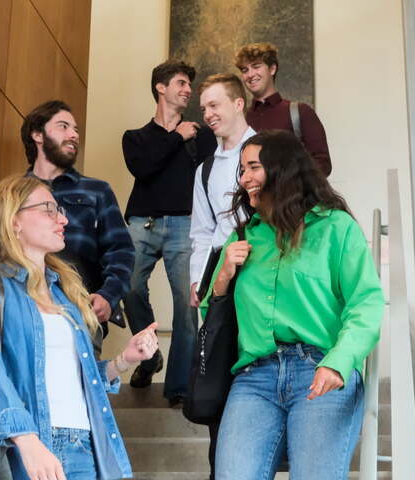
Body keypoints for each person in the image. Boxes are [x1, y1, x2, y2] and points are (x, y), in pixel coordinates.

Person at [0, 175, 160, 480]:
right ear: (14, 221)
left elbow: (75, 380)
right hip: (30, 449)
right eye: (49, 209)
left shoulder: (65, 292)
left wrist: (124, 360)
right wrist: (26, 440)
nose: (63, 218)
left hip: (87, 447)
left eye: (59, 209)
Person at [202, 130, 383, 479]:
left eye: (253, 167)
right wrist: (222, 276)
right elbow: (212, 320)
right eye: (241, 170)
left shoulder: (335, 227)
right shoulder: (242, 237)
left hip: (320, 371)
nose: (244, 178)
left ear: (283, 168)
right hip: (253, 378)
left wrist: (340, 362)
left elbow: (366, 303)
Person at [122, 60, 217, 404]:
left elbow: (211, 180)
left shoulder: (203, 137)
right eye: (180, 83)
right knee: (128, 288)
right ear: (160, 87)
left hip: (185, 226)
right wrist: (176, 137)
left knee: (187, 305)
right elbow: (143, 168)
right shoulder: (136, 138)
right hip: (141, 223)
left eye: (189, 85)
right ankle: (149, 355)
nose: (187, 90)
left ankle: (178, 387)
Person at [23, 100, 135, 350]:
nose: (74, 135)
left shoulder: (97, 191)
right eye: (63, 126)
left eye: (75, 130)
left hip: (81, 317)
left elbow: (122, 251)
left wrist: (109, 295)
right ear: (37, 134)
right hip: (24, 317)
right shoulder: (14, 195)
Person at [189, 73, 255, 308]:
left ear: (238, 104)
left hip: (260, 268)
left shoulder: (269, 154)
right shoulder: (204, 171)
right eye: (204, 108)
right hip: (219, 277)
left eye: (214, 105)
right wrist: (197, 279)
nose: (207, 115)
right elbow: (202, 231)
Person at [234, 42, 332, 176]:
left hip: (293, 196)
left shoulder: (299, 112)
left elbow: (322, 162)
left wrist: (291, 185)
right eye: (245, 70)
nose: (250, 74)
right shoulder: (242, 119)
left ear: (272, 69)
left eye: (256, 66)